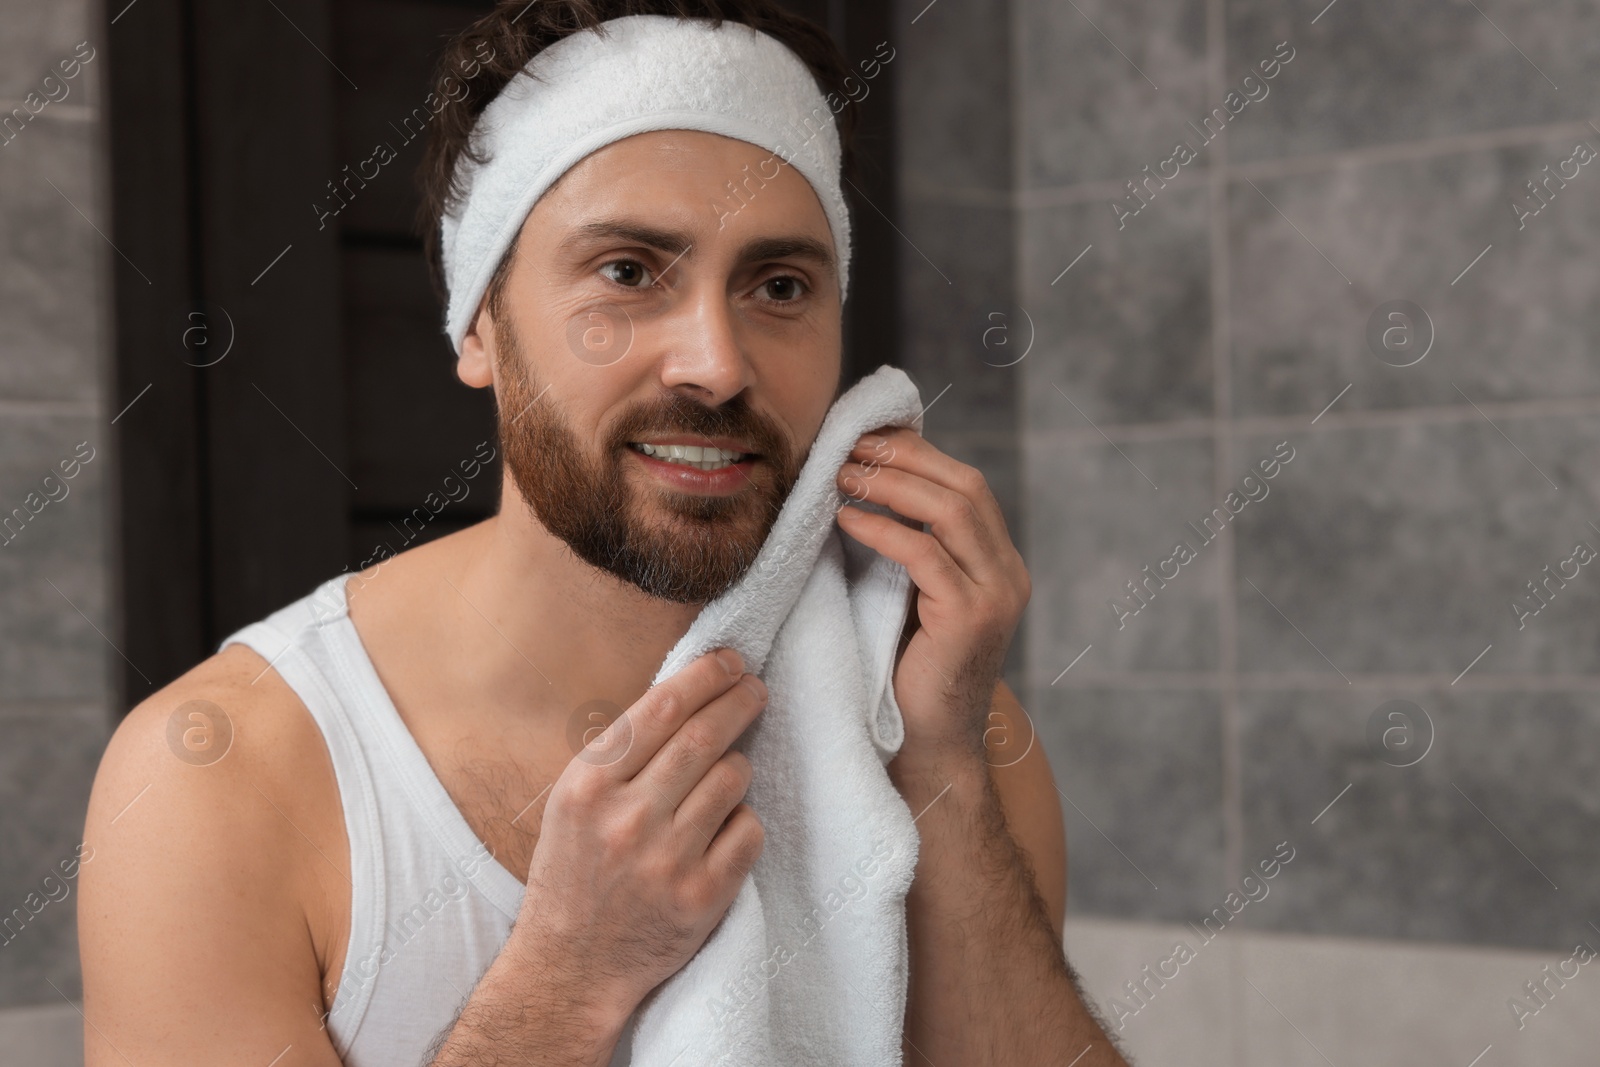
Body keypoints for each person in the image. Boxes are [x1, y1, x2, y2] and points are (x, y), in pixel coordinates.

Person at [79, 2, 1126, 1063]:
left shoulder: (942, 730)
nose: (715, 363)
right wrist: (569, 974)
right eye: (628, 271)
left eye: (778, 286)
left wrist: (941, 767)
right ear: (480, 324)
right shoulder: (222, 778)